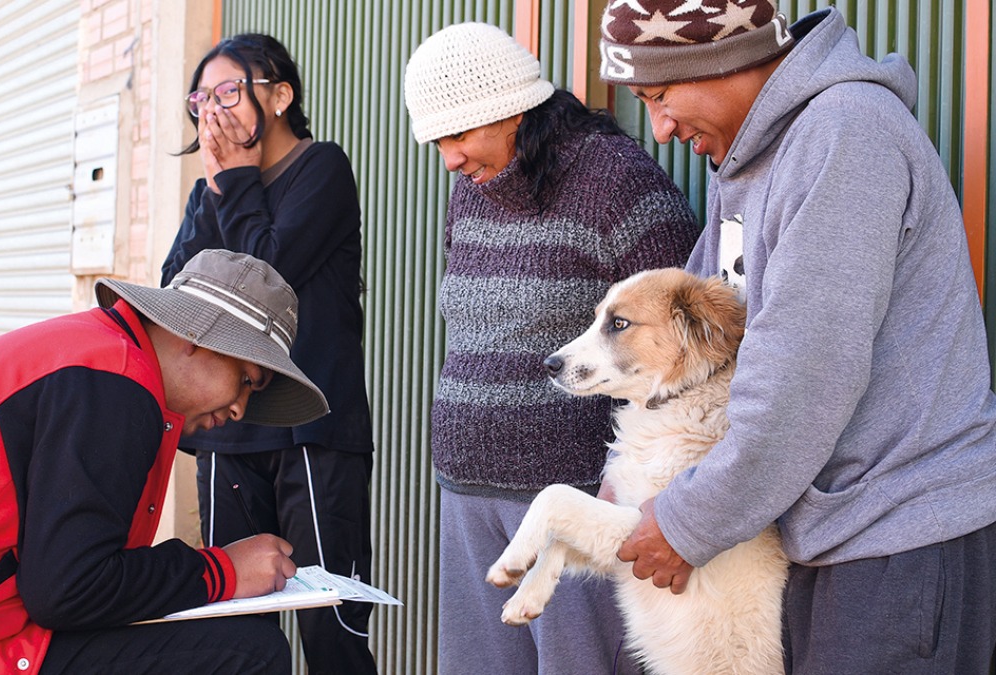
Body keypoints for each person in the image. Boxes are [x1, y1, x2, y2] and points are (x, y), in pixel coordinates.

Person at [598, 0, 996, 671]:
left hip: (899, 537)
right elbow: (697, 348)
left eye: (660, 95)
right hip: (825, 533)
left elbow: (800, 381)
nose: (660, 128)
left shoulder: (846, 136)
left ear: (720, 58)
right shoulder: (751, 163)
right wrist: (629, 479)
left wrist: (688, 520)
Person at [0, 249, 330, 674]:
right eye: (246, 379)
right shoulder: (114, 385)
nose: (241, 408)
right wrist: (221, 571)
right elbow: (68, 589)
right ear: (197, 337)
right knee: (248, 652)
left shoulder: (100, 358)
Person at [403, 22, 700, 674]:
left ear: (510, 108)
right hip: (466, 493)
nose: (449, 159)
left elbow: (685, 354)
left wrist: (658, 493)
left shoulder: (615, 182)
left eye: (459, 135)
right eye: (438, 141)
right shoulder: (472, 188)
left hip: (573, 502)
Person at [160, 33, 377, 675]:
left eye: (230, 91)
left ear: (280, 96)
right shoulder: (213, 191)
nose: (213, 111)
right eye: (202, 98)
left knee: (329, 622)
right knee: (234, 628)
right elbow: (183, 291)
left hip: (311, 429)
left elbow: (266, 271)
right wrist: (221, 188)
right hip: (229, 432)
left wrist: (233, 181)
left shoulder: (323, 168)